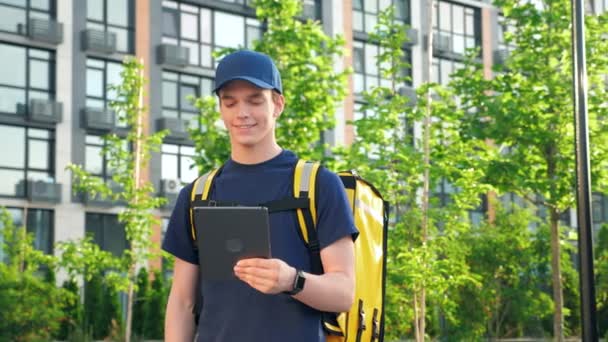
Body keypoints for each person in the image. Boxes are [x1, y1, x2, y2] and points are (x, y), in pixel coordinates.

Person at [162, 50, 358, 342]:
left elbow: (343, 293)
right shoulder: (197, 196)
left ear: (277, 104)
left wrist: (291, 280)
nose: (242, 113)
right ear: (221, 109)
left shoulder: (318, 185)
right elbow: (181, 302)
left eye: (255, 100)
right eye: (230, 102)